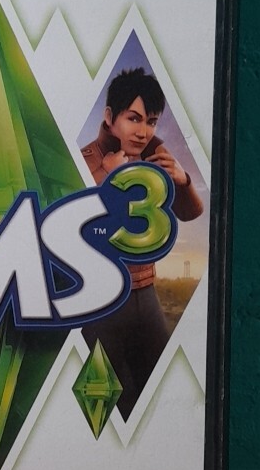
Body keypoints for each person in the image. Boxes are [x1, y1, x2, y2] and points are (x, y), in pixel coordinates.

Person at [81, 68, 204, 421]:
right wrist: (104, 175)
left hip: (146, 292)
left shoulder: (153, 157)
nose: (143, 131)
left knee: (162, 392)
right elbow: (69, 221)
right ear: (109, 117)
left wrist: (182, 179)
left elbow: (192, 212)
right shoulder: (88, 159)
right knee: (99, 404)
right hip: (102, 298)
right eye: (133, 118)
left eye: (151, 121)